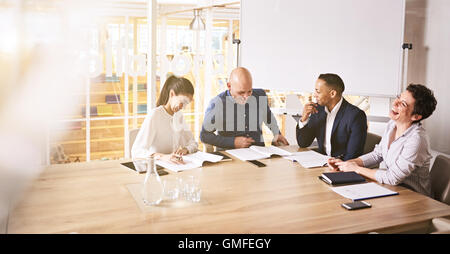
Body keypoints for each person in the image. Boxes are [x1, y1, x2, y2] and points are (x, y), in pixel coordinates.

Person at [329, 84, 437, 196]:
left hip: (413, 197)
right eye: (398, 97)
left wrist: (356, 169)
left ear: (416, 116)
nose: (395, 103)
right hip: (389, 188)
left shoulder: (417, 140)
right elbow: (378, 155)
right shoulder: (392, 124)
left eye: (403, 104)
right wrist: (347, 164)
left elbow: (392, 178)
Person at [200, 67, 289, 150]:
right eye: (241, 92)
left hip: (259, 153)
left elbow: (268, 117)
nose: (247, 97)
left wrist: (276, 132)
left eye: (249, 91)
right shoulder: (217, 104)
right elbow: (204, 135)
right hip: (231, 155)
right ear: (229, 86)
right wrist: (233, 142)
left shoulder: (260, 95)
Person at [296, 73, 367, 161]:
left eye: (318, 92)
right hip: (321, 163)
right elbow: (303, 143)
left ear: (332, 94)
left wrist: (335, 167)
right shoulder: (318, 110)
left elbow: (353, 155)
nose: (314, 95)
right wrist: (304, 118)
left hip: (342, 167)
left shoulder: (355, 116)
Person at [131, 75, 198, 164]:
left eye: (186, 104)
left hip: (176, 167)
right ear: (172, 94)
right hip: (158, 169)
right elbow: (137, 151)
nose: (183, 107)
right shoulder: (155, 115)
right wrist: (162, 157)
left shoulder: (178, 116)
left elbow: (193, 143)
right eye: (182, 102)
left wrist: (186, 149)